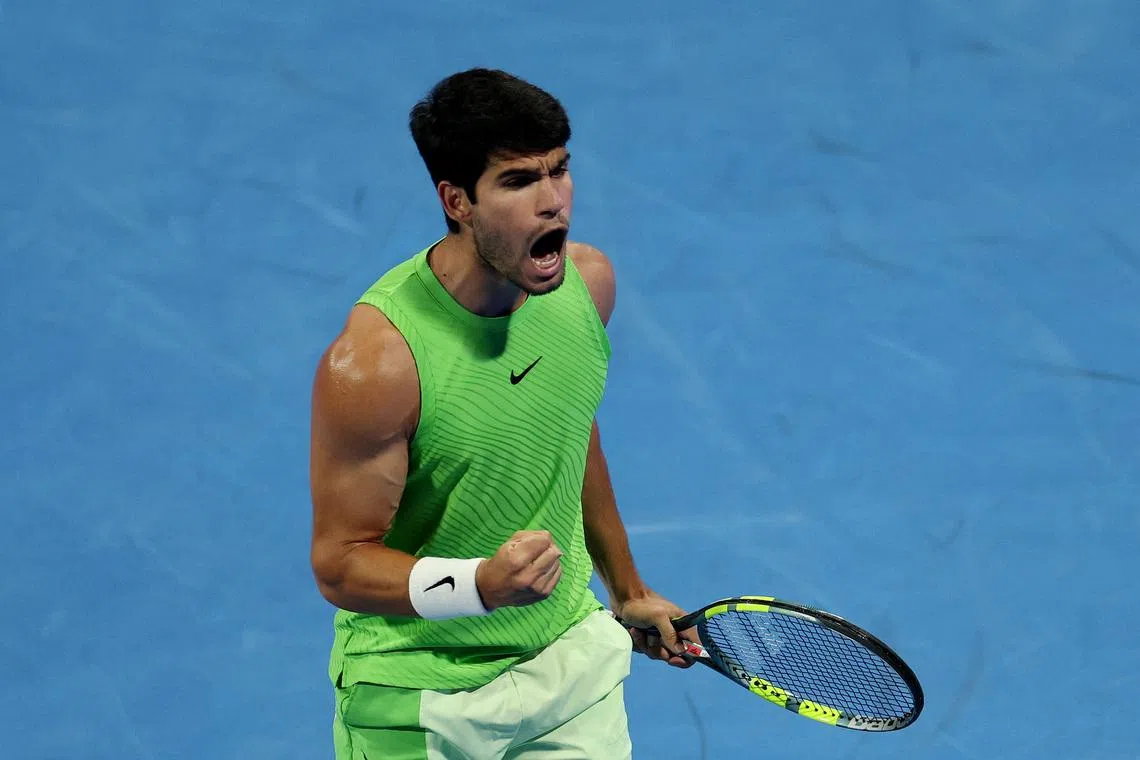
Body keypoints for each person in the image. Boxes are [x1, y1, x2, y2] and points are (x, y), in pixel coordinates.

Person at [309, 67, 694, 760]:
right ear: (456, 200)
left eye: (559, 170)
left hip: (568, 667)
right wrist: (477, 586)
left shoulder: (587, 288)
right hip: (422, 695)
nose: (553, 203)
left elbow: (568, 428)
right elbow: (340, 566)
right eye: (518, 181)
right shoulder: (378, 364)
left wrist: (626, 587)